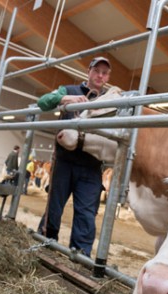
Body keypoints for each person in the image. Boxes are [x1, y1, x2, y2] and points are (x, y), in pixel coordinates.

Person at [36, 56, 112, 257]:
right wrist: (64, 99)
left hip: (91, 166)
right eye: (97, 70)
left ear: (107, 77)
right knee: (55, 206)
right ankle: (46, 243)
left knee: (87, 214)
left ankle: (80, 255)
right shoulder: (69, 90)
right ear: (89, 71)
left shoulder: (110, 101)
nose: (100, 75)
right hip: (65, 162)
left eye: (104, 73)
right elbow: (43, 102)